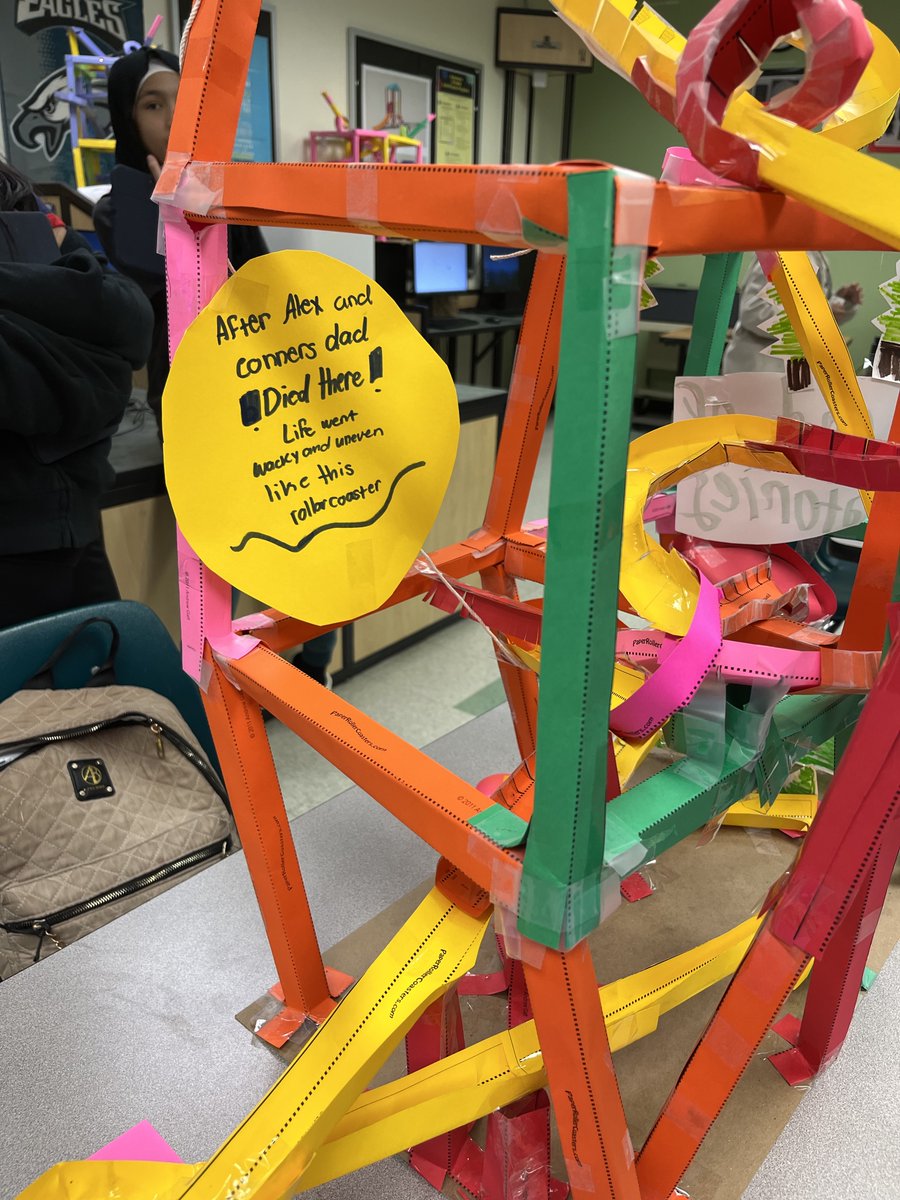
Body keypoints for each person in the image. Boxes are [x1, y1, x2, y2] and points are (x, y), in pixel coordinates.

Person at [94, 46, 336, 686]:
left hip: (261, 384)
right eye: (152, 104)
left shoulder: (226, 186)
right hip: (190, 398)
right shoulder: (120, 207)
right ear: (126, 117)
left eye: (182, 98)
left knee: (296, 514)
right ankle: (224, 674)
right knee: (219, 541)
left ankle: (311, 657)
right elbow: (144, 309)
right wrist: (168, 212)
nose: (174, 116)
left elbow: (259, 282)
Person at [0, 156, 153, 628]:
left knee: (102, 684)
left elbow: (132, 325)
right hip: (25, 538)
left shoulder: (22, 203)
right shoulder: (114, 212)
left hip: (75, 521)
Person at [723, 251, 863, 374]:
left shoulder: (813, 253)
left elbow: (801, 303)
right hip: (761, 369)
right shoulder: (781, 253)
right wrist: (817, 315)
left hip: (787, 370)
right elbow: (754, 312)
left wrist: (840, 302)